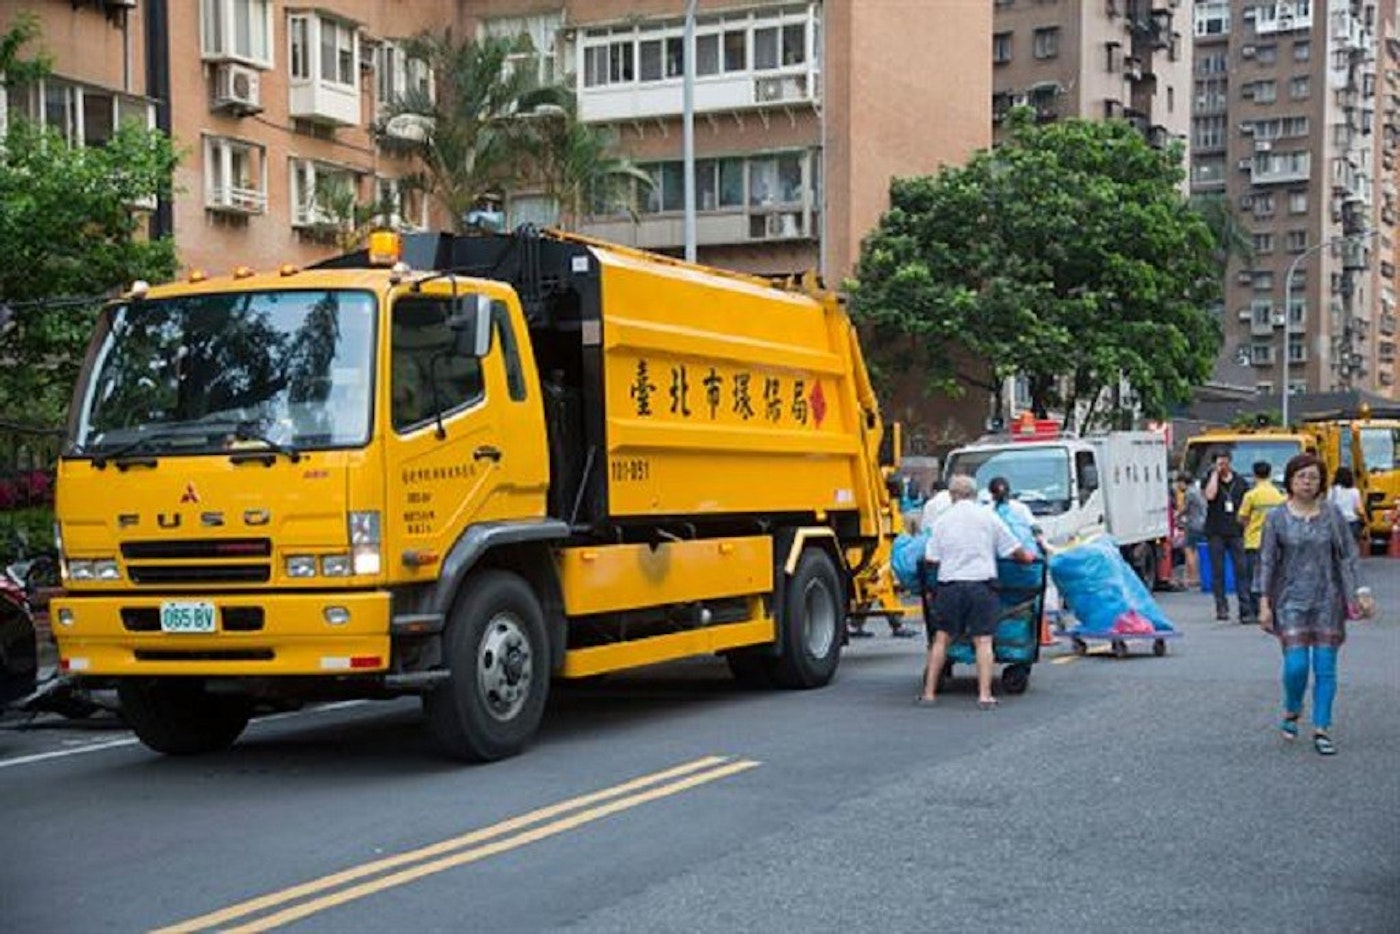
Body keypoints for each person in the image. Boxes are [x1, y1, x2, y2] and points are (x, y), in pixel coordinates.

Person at [1258, 453, 1374, 756]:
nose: (1307, 483)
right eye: (1301, 477)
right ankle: (1292, 708)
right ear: (1291, 481)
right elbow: (1267, 561)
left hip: (1328, 601)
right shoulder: (1276, 518)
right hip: (1290, 602)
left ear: (1322, 482)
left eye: (1313, 477)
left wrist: (1360, 590)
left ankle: (1322, 727)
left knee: (1325, 668)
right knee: (1296, 666)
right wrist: (1264, 603)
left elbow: (1349, 554)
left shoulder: (1332, 514)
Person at [916, 474, 1037, 709]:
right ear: (975, 493)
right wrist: (1028, 558)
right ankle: (984, 695)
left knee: (941, 638)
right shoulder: (988, 517)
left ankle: (929, 693)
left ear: (952, 495)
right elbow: (1014, 550)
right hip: (981, 585)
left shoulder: (942, 521)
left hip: (949, 585)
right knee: (983, 640)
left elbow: (931, 558)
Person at [1203, 451, 1250, 623]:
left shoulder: (1240, 482)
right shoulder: (1209, 479)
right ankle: (1221, 607)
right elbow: (1210, 495)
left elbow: (1247, 505)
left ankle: (1245, 607)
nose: (1223, 466)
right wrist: (1214, 475)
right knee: (1218, 572)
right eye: (1219, 463)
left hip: (1236, 531)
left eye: (1225, 462)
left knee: (1241, 570)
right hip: (1215, 531)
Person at [1237, 460, 1285, 625]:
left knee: (1252, 577)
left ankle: (1253, 610)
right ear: (1270, 473)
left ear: (1255, 474)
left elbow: (1242, 517)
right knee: (1272, 576)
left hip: (1253, 541)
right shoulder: (1278, 494)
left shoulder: (1251, 495)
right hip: (1274, 542)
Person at [1174, 473, 1207, 589]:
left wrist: (1176, 515)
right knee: (1197, 550)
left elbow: (1184, 509)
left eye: (1178, 483)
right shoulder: (1198, 491)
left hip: (1193, 524)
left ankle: (1193, 578)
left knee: (1188, 550)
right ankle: (1198, 576)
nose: (1177, 486)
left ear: (1183, 482)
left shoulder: (1189, 493)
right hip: (1202, 524)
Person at [1327, 466, 1366, 552]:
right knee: (1351, 548)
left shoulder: (1332, 491)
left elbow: (1328, 506)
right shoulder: (1355, 491)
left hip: (1336, 523)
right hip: (1352, 523)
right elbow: (1359, 509)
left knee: (1336, 548)